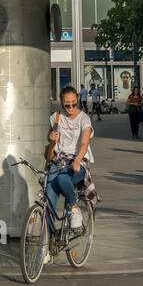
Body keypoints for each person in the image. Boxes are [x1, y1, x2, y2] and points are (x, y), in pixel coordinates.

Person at [45, 85, 93, 232]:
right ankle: (49, 243)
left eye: (74, 103)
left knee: (62, 179)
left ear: (77, 100)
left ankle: (74, 208)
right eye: (67, 104)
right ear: (61, 102)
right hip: (58, 161)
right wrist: (51, 137)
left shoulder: (84, 119)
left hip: (77, 161)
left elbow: (85, 143)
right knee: (48, 204)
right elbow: (50, 140)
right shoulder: (56, 117)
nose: (70, 107)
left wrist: (78, 160)